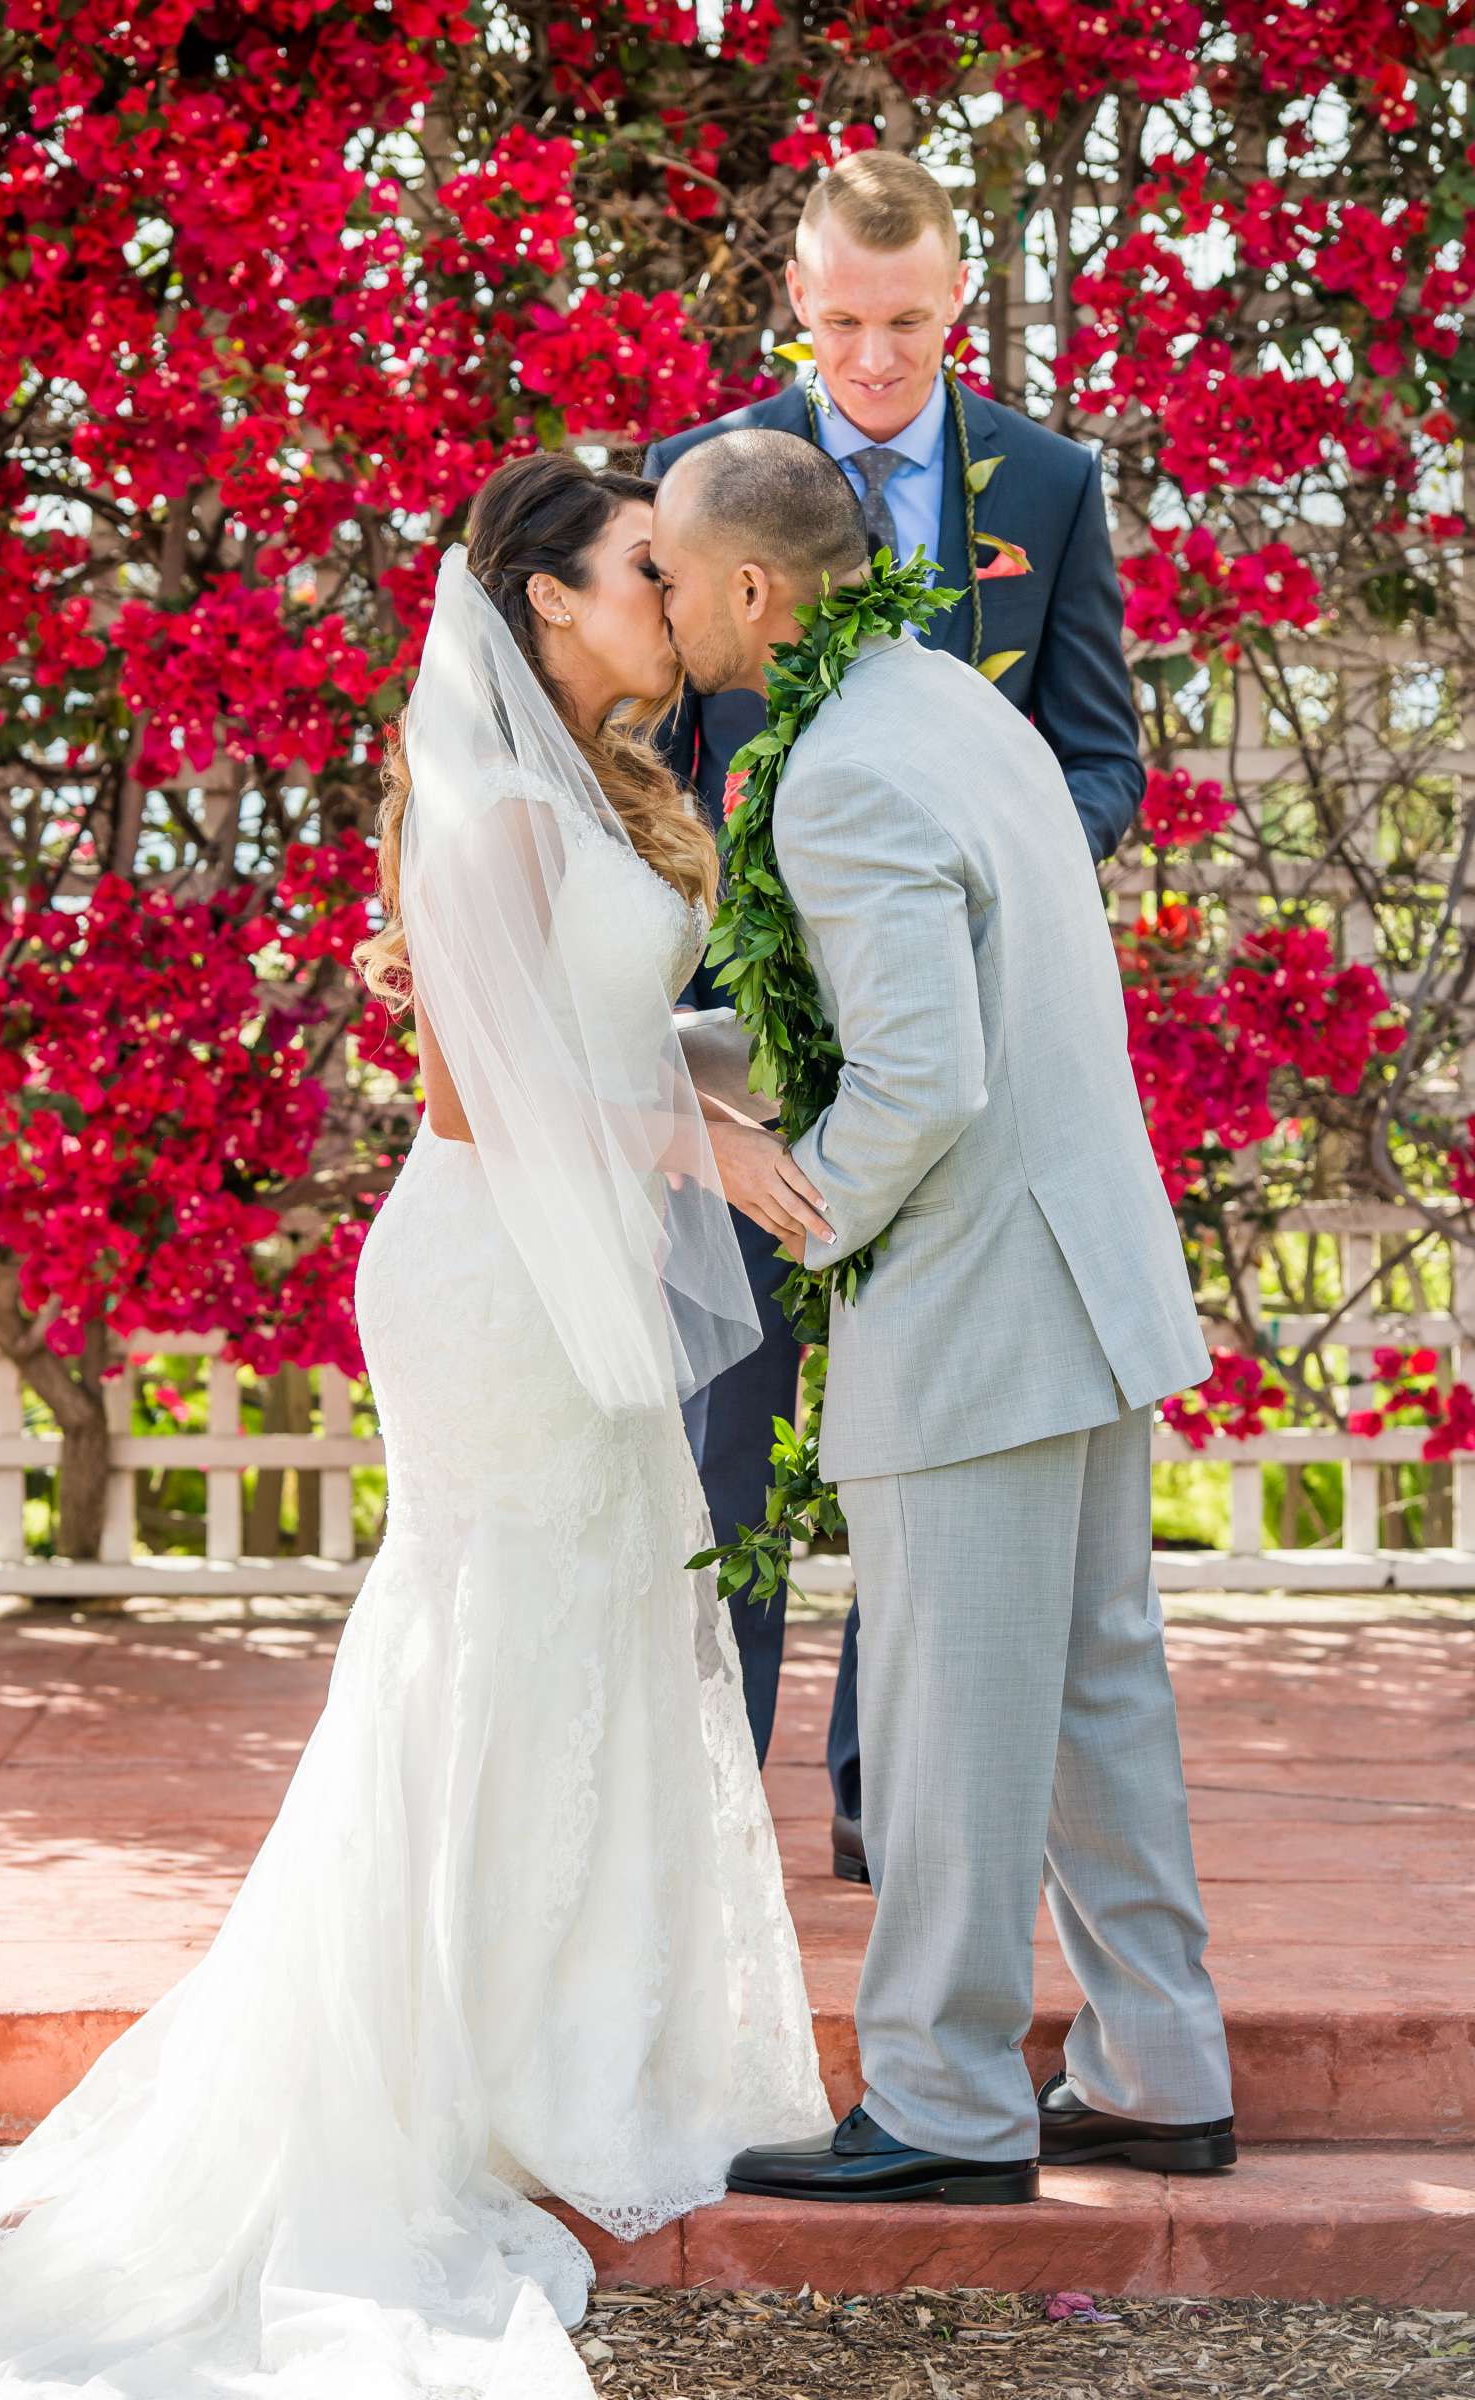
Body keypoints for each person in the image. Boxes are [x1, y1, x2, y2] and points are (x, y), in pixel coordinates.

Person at [0, 454, 833, 2398]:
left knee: (586, 1630)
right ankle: (434, 2078)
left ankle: (564, 2044)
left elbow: (623, 1038)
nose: (673, 592)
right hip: (483, 1274)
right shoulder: (483, 816)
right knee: (479, 1642)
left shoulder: (626, 794)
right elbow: (489, 1098)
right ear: (547, 601)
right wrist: (689, 1142)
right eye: (642, 566)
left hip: (571, 1252)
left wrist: (746, 1084)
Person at [650, 428, 1234, 2202]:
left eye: (671, 573)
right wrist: (650, 1061)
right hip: (1090, 1273)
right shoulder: (949, 706)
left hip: (979, 1302)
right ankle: (1157, 2067)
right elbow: (904, 1012)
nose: (661, 599)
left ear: (751, 591)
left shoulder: (831, 774)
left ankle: (945, 2108)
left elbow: (917, 1080)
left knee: (943, 1725)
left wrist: (790, 1206)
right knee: (1087, 1699)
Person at [644, 151, 1145, 1858]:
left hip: (956, 1037)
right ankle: (716, 1805)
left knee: (921, 1436)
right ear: (797, 298)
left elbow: (1093, 756)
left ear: (958, 302)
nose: (875, 360)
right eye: (847, 322)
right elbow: (652, 755)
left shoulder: (1050, 481)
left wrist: (980, 890)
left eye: (909, 323)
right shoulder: (701, 480)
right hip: (755, 1031)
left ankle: (886, 1801)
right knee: (735, 1425)